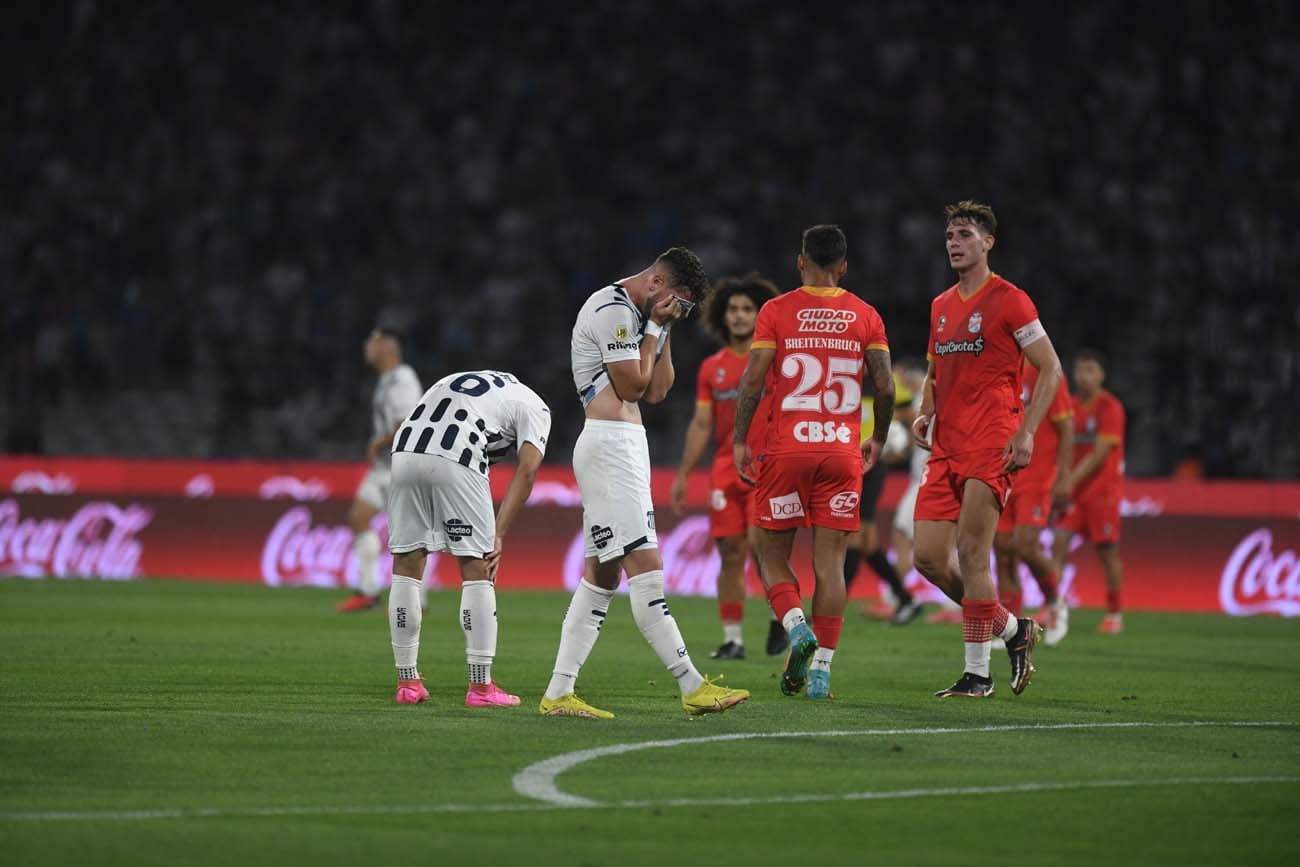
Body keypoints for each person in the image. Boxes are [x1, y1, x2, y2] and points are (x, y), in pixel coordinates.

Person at [540, 247, 750, 719]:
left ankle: (558, 692)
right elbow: (633, 387)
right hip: (611, 447)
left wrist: (664, 329)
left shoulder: (640, 318)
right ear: (657, 283)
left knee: (603, 574)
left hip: (622, 446)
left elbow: (657, 390)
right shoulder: (613, 308)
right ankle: (692, 684)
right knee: (646, 564)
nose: (679, 311)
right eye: (678, 301)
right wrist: (653, 329)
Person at [733, 224, 895, 700]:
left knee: (774, 557)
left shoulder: (777, 310)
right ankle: (821, 670)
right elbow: (884, 386)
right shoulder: (867, 316)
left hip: (787, 449)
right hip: (842, 452)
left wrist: (741, 437)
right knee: (832, 565)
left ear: (800, 261)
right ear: (844, 266)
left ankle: (797, 627)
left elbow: (753, 380)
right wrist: (878, 437)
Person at [911, 200, 1064, 699]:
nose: (955, 242)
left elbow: (1050, 367)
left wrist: (1027, 432)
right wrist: (924, 409)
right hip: (946, 446)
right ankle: (1014, 631)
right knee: (928, 559)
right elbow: (936, 370)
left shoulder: (1010, 300)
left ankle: (978, 674)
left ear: (987, 243)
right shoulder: (939, 306)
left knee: (972, 553)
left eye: (965, 234)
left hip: (992, 440)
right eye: (951, 235)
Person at [385, 369, 550, 707]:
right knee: (477, 567)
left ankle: (407, 682)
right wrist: (498, 534)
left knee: (406, 563)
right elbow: (529, 467)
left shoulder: (455, 379)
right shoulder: (537, 406)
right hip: (457, 453)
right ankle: (481, 687)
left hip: (403, 451)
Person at [670, 273, 788, 660]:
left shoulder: (774, 361)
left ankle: (777, 617)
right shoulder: (712, 368)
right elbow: (702, 423)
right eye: (733, 309)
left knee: (761, 546)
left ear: (760, 315)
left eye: (747, 309)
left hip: (766, 466)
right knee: (730, 554)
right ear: (723, 316)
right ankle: (734, 639)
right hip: (724, 470)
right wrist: (685, 473)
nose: (739, 316)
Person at [338, 327, 424, 613]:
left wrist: (379, 442)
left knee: (410, 533)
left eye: (372, 342)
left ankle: (416, 600)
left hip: (403, 466)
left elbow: (409, 422)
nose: (366, 347)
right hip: (384, 467)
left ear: (387, 346)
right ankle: (368, 590)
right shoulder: (387, 380)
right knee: (359, 517)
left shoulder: (403, 378)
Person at [992, 356, 1074, 646]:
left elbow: (1066, 427)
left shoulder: (1046, 369)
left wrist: (1064, 474)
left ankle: (1055, 603)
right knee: (1002, 551)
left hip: (1037, 476)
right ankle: (1012, 628)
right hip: (1001, 472)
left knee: (1025, 545)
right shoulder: (997, 364)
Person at [1051, 349, 1127, 634]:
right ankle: (1053, 607)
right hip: (1074, 493)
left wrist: (1067, 480)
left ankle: (1114, 614)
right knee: (1058, 544)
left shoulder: (1110, 407)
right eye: (1080, 371)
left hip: (1102, 492)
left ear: (1102, 375)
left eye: (1091, 371)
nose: (1084, 377)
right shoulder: (1070, 406)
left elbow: (1099, 453)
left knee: (1108, 552)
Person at [847, 367, 921, 625]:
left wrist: (903, 450)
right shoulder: (843, 379)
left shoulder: (886, 384)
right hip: (845, 465)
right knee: (868, 544)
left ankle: (832, 607)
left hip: (871, 469)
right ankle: (905, 598)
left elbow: (911, 416)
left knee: (856, 538)